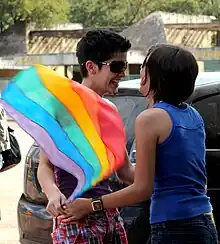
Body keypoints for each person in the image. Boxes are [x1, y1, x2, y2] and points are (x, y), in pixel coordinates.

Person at [61, 44, 218, 243]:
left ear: (153, 75)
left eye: (145, 65)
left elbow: (143, 188)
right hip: (203, 221)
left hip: (174, 227)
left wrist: (91, 205)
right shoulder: (193, 115)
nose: (139, 70)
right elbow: (144, 175)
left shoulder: (150, 118)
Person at [37, 30, 134, 244]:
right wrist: (53, 194)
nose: (122, 75)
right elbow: (44, 166)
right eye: (117, 67)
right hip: (75, 222)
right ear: (91, 67)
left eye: (124, 67)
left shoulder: (111, 111)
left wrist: (168, 175)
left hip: (109, 219)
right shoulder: (60, 109)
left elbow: (126, 171)